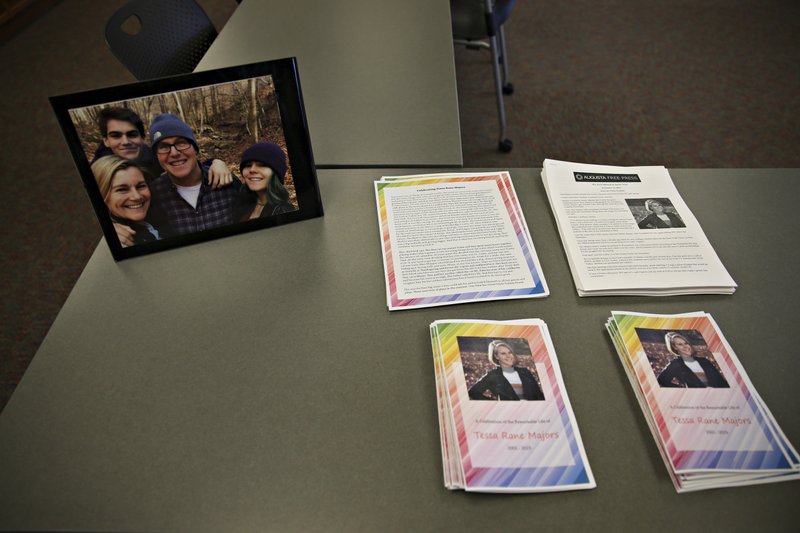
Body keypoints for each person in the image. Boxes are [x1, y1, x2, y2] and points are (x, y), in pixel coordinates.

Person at [91, 107, 233, 188]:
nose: (125, 141)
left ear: (141, 138)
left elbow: (182, 163)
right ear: (106, 141)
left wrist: (216, 162)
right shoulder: (98, 171)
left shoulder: (151, 155)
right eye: (116, 135)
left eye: (132, 134)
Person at [147, 113, 241, 235]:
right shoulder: (153, 196)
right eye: (164, 147)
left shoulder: (227, 183)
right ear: (157, 156)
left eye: (181, 143)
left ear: (195, 148)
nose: (174, 153)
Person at [92, 155, 168, 247]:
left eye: (141, 186)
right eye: (122, 190)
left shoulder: (159, 215)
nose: (136, 196)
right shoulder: (116, 240)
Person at [235, 142, 295, 220]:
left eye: (262, 165)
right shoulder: (243, 204)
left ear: (275, 173)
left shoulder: (283, 211)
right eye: (248, 165)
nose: (252, 170)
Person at [468, 340, 545, 401]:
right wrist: (494, 405)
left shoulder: (525, 372)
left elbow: (538, 394)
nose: (508, 356)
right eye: (503, 353)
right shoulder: (492, 375)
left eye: (509, 352)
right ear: (496, 356)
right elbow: (473, 392)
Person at [657, 332, 730, 388]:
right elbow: (661, 380)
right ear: (674, 347)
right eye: (680, 344)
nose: (685, 346)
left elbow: (721, 381)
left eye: (686, 343)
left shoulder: (704, 361)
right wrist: (684, 391)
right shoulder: (676, 364)